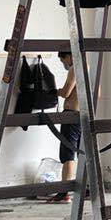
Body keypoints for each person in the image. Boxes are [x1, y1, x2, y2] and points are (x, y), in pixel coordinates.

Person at [48, 50, 81, 202]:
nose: (64, 64)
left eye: (63, 61)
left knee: (67, 153)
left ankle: (64, 193)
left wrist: (56, 92)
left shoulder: (75, 68)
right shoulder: (89, 69)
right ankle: (86, 189)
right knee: (82, 153)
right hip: (84, 115)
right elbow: (97, 93)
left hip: (71, 115)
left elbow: (66, 92)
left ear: (69, 56)